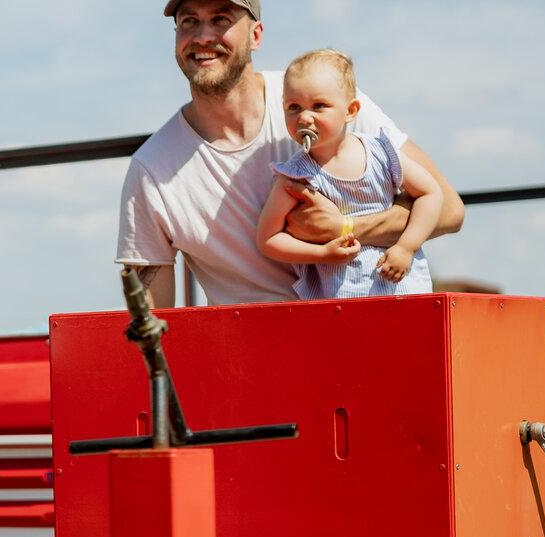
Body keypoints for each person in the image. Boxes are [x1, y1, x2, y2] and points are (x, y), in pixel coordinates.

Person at [117, 0, 465, 307]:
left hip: (364, 326)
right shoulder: (151, 169)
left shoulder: (323, 95)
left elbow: (448, 209)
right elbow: (152, 321)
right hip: (254, 360)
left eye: (221, 19)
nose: (203, 36)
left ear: (256, 35)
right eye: (189, 21)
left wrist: (343, 228)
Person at [256, 49, 443, 298]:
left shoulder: (382, 153)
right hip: (340, 303)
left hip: (403, 291)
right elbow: (268, 238)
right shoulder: (295, 176)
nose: (304, 117)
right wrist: (322, 254)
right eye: (294, 107)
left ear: (351, 110)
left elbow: (431, 194)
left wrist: (406, 247)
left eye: (319, 106)